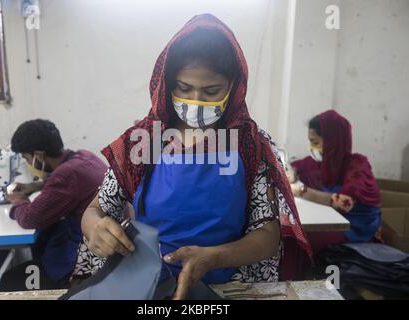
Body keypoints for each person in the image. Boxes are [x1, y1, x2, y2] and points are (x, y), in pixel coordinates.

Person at [72, 14, 311, 299]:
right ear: (167, 83)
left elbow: (267, 236)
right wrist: (97, 228)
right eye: (184, 89)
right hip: (149, 284)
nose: (196, 101)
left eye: (211, 92)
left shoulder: (248, 146)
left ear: (234, 87)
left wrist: (213, 257)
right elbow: (94, 211)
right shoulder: (143, 142)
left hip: (226, 285)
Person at [0, 119, 107, 291]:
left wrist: (18, 200)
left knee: (7, 281)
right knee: (45, 238)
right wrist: (36, 186)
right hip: (105, 252)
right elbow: (72, 182)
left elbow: (29, 218)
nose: (27, 163)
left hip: (86, 264)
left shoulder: (65, 176)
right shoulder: (84, 156)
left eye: (27, 158)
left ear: (38, 156)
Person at [289, 110, 382, 255]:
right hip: (334, 220)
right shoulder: (324, 164)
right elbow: (298, 166)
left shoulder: (358, 166)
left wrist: (300, 190)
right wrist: (292, 172)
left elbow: (344, 203)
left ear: (333, 141)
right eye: (310, 142)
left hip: (356, 229)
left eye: (315, 142)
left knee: (297, 240)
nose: (312, 147)